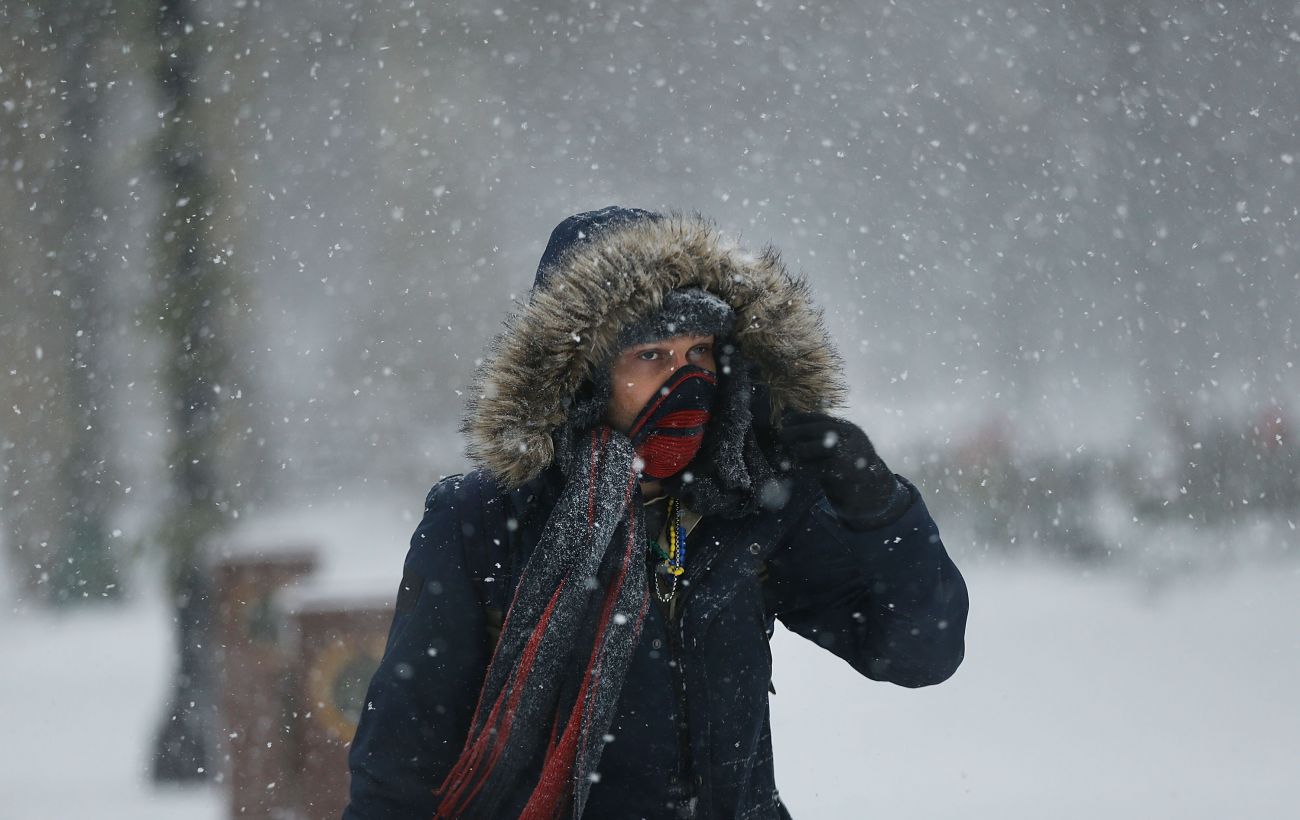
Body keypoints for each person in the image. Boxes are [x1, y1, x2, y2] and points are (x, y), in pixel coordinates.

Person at [343, 207, 969, 819]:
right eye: (651, 357)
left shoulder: (752, 504)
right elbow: (400, 761)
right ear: (583, 372)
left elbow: (919, 653)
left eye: (698, 353)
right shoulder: (482, 518)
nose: (685, 380)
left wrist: (882, 511)